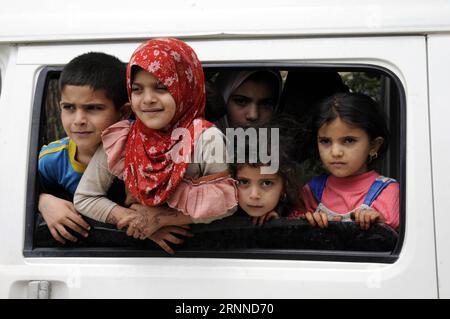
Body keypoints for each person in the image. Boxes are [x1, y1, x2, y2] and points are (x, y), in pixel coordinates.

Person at [74, 38, 238, 254]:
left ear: (184, 88)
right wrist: (135, 220)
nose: (147, 99)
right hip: (134, 263)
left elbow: (226, 204)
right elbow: (85, 197)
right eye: (137, 89)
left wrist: (160, 219)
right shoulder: (123, 138)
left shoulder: (205, 139)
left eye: (161, 87)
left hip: (198, 259)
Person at [38, 52, 129, 244]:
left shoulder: (141, 156)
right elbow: (13, 192)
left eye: (93, 108)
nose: (79, 120)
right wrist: (42, 202)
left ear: (123, 112)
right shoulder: (52, 160)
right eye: (69, 107)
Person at [290, 92, 399, 231]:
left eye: (349, 140)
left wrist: (379, 225)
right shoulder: (311, 190)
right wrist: (306, 221)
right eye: (325, 141)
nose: (335, 152)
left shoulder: (388, 192)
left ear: (374, 145)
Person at [229, 115, 305, 225]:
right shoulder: (216, 217)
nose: (254, 195)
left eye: (267, 183)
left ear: (284, 186)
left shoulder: (297, 217)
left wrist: (278, 224)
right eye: (243, 182)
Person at [214, 69, 282, 132]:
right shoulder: (205, 140)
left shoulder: (280, 142)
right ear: (223, 100)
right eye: (241, 101)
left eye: (266, 104)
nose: (253, 115)